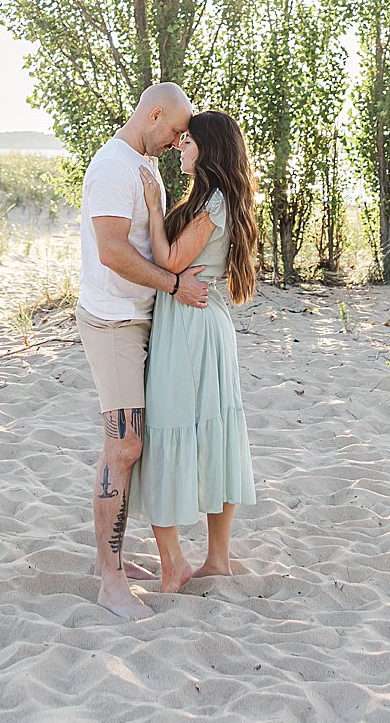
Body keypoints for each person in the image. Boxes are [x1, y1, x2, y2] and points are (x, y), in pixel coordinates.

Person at [76, 82, 208, 621]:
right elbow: (110, 252)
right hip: (112, 322)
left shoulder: (143, 166)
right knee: (123, 446)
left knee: (133, 446)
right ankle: (109, 581)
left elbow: (151, 242)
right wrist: (174, 287)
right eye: (175, 129)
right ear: (154, 114)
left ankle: (115, 559)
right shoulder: (113, 167)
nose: (176, 141)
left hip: (138, 320)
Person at [132, 108, 258, 591]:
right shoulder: (218, 200)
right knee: (212, 431)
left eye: (188, 142)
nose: (181, 147)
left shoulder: (215, 205)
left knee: (173, 429)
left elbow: (168, 260)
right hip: (205, 324)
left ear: (208, 148)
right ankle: (216, 560)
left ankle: (193, 562)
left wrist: (149, 204)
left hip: (191, 328)